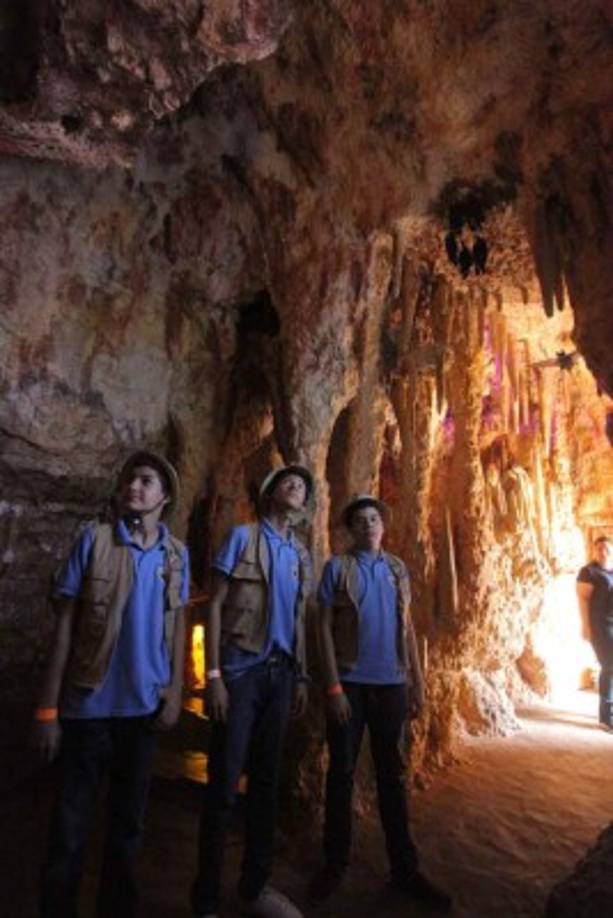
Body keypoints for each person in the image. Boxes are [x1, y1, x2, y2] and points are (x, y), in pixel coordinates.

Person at [33, 450, 189, 918]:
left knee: (127, 832)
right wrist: (47, 710)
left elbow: (179, 623)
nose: (134, 488)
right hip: (88, 710)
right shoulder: (94, 540)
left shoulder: (175, 555)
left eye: (145, 481)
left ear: (164, 497)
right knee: (69, 833)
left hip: (140, 714)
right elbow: (64, 624)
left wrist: (175, 689)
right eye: (130, 481)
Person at [309, 495, 451, 912]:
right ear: (350, 530)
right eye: (359, 520)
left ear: (382, 526)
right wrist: (332, 687)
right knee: (341, 774)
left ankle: (404, 869)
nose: (368, 525)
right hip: (351, 686)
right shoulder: (338, 567)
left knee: (393, 776)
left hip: (391, 685)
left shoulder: (396, 570)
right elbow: (322, 629)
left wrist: (417, 682)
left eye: (374, 519)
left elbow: (406, 628)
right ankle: (335, 863)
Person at [191, 465, 314, 918]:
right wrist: (215, 676)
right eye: (288, 481)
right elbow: (216, 605)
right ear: (269, 493)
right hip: (242, 672)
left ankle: (254, 886)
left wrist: (301, 675)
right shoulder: (242, 538)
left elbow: (299, 619)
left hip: (281, 675)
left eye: (302, 485)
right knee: (223, 784)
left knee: (265, 782)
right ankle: (205, 896)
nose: (295, 486)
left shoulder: (301, 556)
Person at [576, 535, 613, 729]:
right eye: (599, 548)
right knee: (609, 666)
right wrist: (585, 626)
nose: (603, 551)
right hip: (600, 626)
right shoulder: (588, 572)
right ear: (594, 550)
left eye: (607, 548)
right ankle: (606, 718)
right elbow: (583, 601)